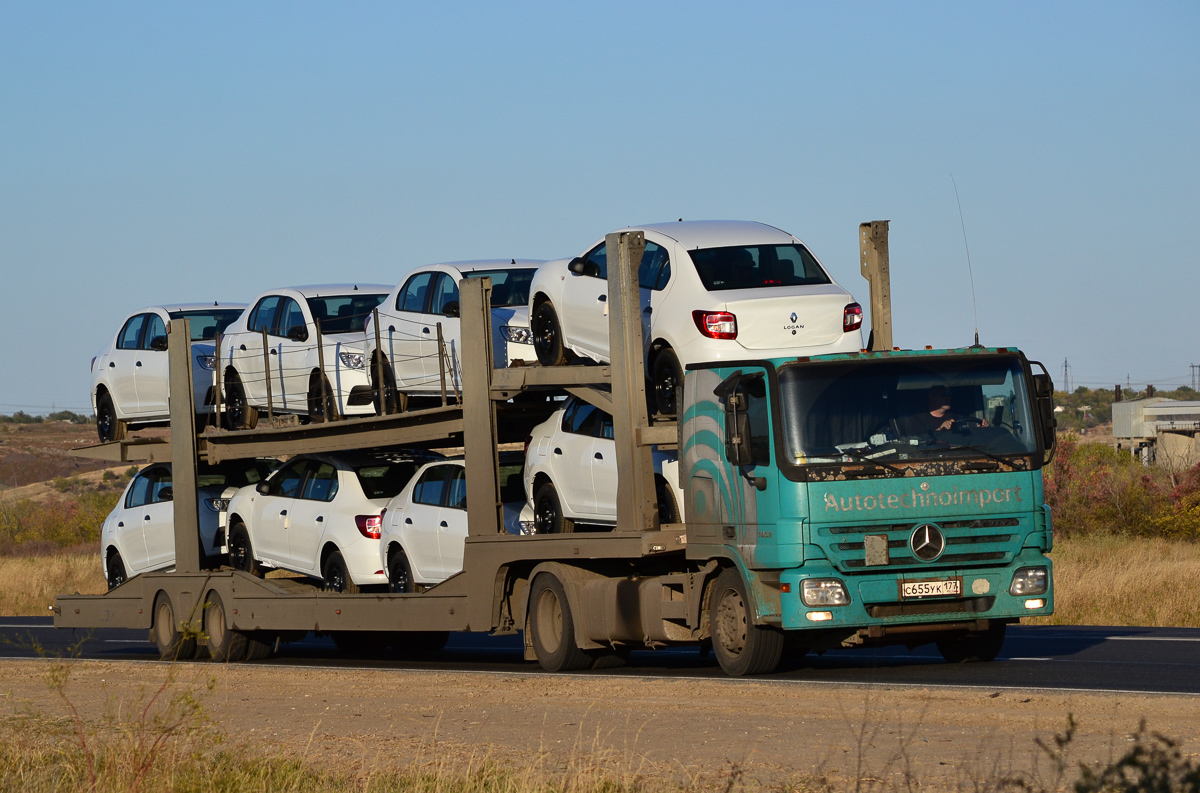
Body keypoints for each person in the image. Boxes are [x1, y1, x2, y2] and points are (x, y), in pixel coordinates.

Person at [903, 385, 987, 435]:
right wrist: (940, 428)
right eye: (944, 395)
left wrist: (979, 430)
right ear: (931, 396)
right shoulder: (917, 420)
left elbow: (967, 439)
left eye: (949, 395)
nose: (948, 398)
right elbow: (920, 444)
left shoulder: (956, 417)